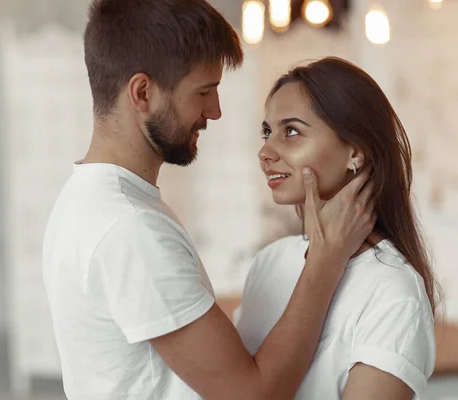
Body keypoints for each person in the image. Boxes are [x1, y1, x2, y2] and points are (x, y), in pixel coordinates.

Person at [42, 1, 375, 399]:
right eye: (204, 91)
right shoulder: (129, 229)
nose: (214, 112)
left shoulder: (85, 200)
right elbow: (253, 394)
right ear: (143, 93)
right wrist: (327, 257)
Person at [235, 57, 438, 400]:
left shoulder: (393, 291)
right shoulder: (269, 263)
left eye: (292, 131)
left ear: (355, 152)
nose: (265, 152)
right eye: (267, 132)